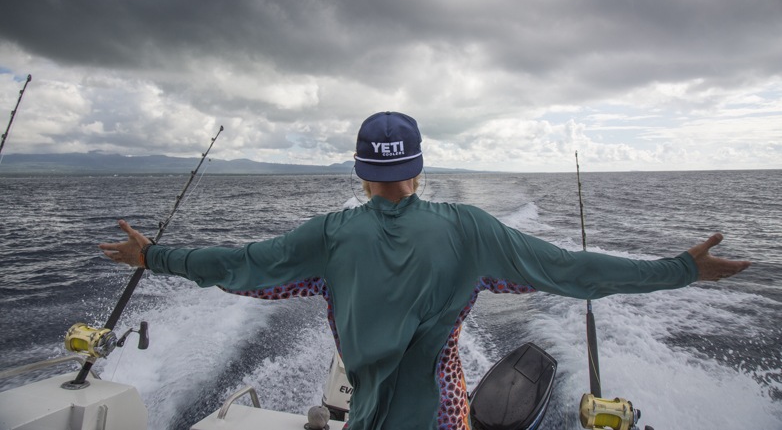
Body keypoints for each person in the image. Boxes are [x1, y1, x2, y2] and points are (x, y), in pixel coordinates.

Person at [100, 111, 750, 430]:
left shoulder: (329, 237)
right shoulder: (469, 231)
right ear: (416, 168)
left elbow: (236, 266)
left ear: (360, 172)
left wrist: (151, 255)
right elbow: (574, 271)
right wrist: (680, 269)